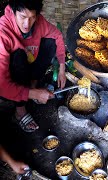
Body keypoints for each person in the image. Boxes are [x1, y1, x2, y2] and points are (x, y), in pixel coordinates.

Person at [0, 0, 66, 132]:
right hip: (11, 76)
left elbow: (58, 35)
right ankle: (20, 111)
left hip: (30, 64)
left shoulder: (39, 22)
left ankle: (32, 85)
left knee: (50, 42)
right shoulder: (2, 32)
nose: (27, 24)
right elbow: (2, 85)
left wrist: (62, 69)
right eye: (23, 17)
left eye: (32, 17)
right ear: (13, 12)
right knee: (18, 56)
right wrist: (35, 94)